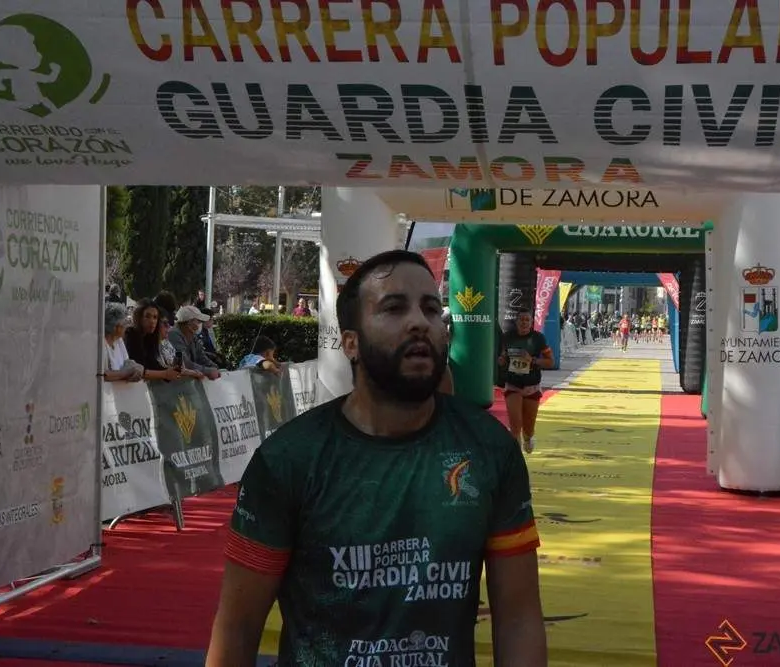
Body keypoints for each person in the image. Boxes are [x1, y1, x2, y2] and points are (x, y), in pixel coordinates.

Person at [206, 250, 546, 667]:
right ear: (351, 343)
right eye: (393, 308)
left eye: (431, 308)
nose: (420, 321)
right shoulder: (289, 459)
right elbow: (238, 627)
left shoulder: (490, 451)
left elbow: (518, 617)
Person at [497, 311, 553, 454]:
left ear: (531, 322)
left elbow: (550, 362)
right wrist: (502, 360)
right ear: (516, 322)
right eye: (521, 320)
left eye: (527, 320)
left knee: (528, 427)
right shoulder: (508, 337)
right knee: (515, 425)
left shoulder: (538, 338)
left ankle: (528, 438)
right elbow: (503, 355)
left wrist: (533, 360)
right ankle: (517, 457)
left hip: (531, 386)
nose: (523, 323)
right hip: (513, 384)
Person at [169, 306, 221, 380]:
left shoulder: (193, 336)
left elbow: (201, 357)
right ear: (189, 322)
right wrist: (208, 371)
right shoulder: (173, 335)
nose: (200, 324)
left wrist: (215, 367)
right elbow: (185, 363)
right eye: (199, 321)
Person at [102, 303, 143, 382]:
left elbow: (127, 362)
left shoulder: (119, 341)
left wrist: (138, 367)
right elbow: (104, 375)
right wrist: (128, 372)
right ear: (117, 327)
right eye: (125, 323)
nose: (127, 326)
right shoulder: (102, 344)